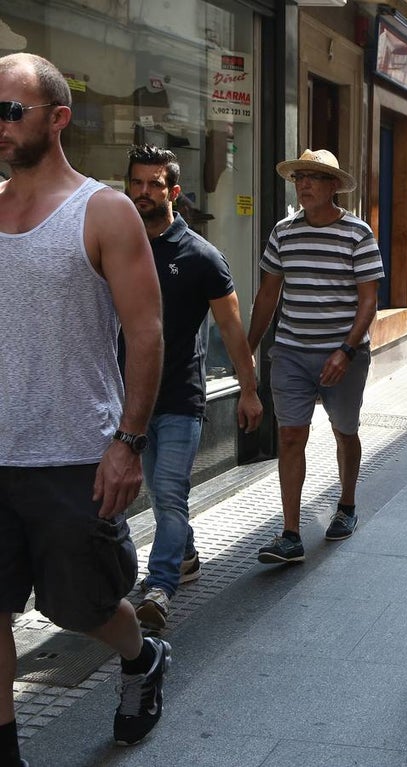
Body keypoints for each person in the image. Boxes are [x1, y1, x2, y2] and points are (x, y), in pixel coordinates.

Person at [0, 52, 170, 755]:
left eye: (11, 111)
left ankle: (141, 656)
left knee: (82, 607)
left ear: (58, 118)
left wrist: (128, 441)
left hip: (76, 451)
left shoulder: (102, 210)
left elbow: (147, 332)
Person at [125, 145, 263, 631]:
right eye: (137, 183)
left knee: (168, 491)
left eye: (154, 184)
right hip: (129, 401)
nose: (144, 192)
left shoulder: (202, 256)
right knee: (162, 498)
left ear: (174, 192)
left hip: (182, 396)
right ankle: (183, 557)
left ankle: (159, 588)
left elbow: (231, 328)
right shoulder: (119, 244)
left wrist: (248, 390)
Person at [247, 149, 383, 565]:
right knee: (291, 435)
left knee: (345, 430)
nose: (303, 185)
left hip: (343, 355)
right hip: (289, 352)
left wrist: (346, 349)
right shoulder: (284, 232)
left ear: (333, 186)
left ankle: (346, 505)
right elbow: (268, 294)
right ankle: (290, 534)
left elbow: (368, 301)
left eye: (313, 178)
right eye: (299, 178)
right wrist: (247, 348)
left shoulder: (357, 234)